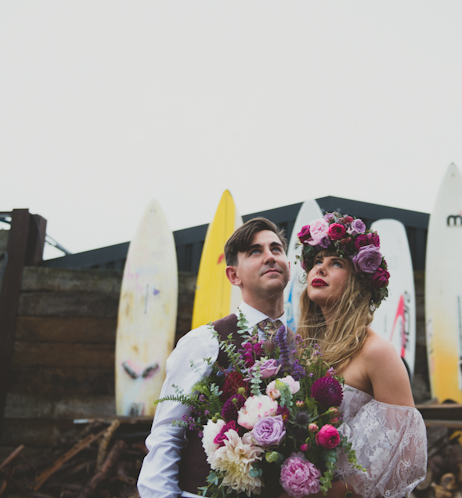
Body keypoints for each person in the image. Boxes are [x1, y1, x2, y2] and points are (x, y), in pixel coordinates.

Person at [137, 217, 291, 498]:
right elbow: (167, 434)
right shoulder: (204, 341)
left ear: (288, 266)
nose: (270, 256)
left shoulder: (303, 348)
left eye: (276, 249)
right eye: (256, 251)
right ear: (234, 276)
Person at [290, 213, 427, 498]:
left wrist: (329, 494)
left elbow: (407, 454)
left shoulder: (377, 352)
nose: (320, 269)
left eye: (335, 263)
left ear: (357, 282)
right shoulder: (303, 350)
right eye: (317, 262)